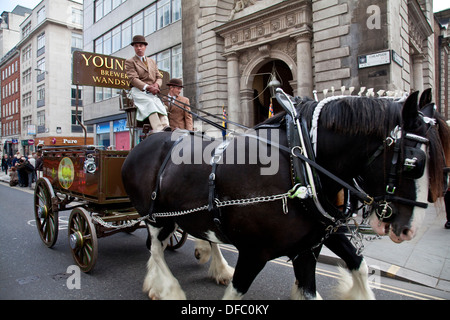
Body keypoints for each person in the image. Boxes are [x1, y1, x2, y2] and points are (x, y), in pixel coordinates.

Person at [125, 35, 170, 132]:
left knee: (159, 103)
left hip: (151, 92)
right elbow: (133, 79)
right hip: (138, 91)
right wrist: (147, 87)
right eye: (136, 46)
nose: (139, 48)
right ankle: (158, 129)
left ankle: (166, 126)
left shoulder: (152, 62)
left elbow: (159, 77)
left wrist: (156, 85)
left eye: (141, 45)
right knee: (150, 103)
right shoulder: (130, 62)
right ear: (134, 48)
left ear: (145, 47)